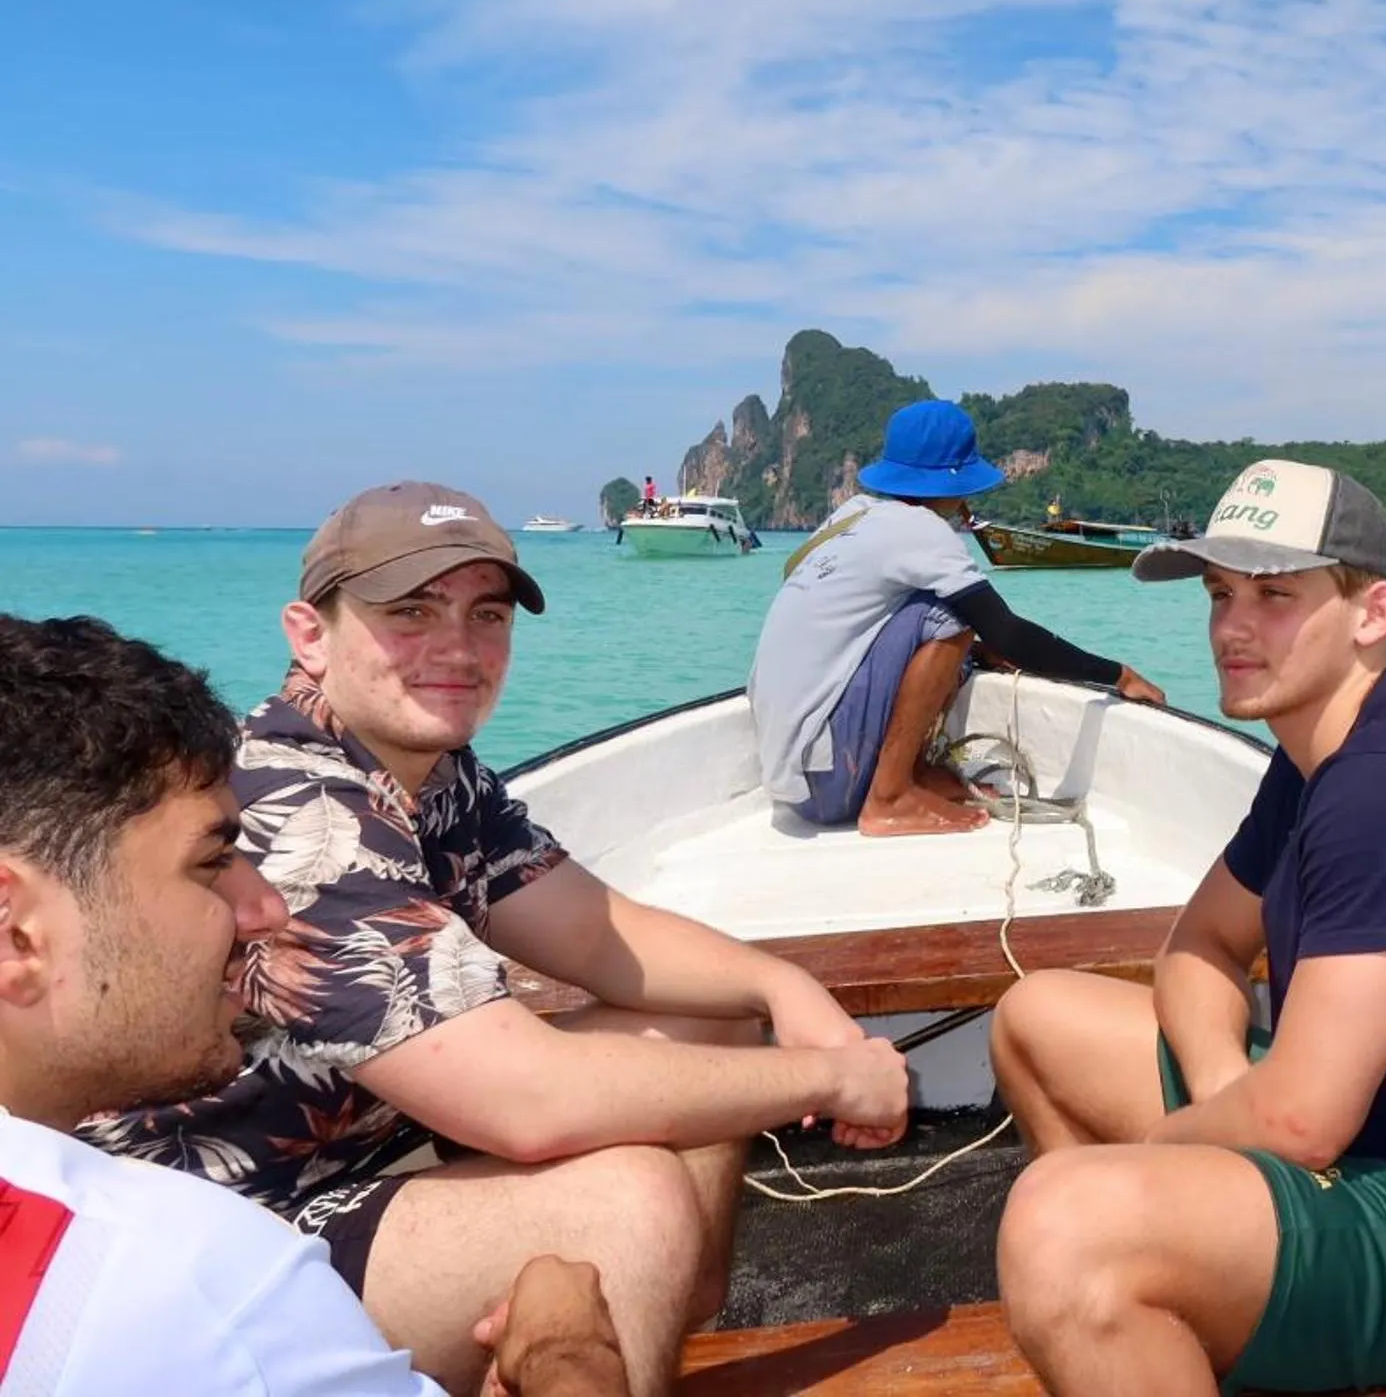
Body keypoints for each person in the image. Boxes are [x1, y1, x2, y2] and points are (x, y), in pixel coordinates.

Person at [84, 483, 911, 1396]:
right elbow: (526, 1103)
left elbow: (595, 931)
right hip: (216, 1241)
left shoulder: (431, 773)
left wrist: (782, 989)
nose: (458, 648)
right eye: (410, 612)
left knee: (705, 1020)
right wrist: (833, 1078)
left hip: (361, 1149)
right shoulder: (301, 815)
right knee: (625, 1202)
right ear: (310, 636)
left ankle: (663, 1309)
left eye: (486, 614)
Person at [987, 461, 1386, 1396]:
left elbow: (1301, 1122)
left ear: (1373, 614)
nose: (1231, 628)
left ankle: (1118, 1285)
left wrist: (1159, 1156)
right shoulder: (1314, 755)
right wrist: (1219, 1088)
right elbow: (1199, 947)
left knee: (1060, 1224)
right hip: (1353, 1147)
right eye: (1219, 594)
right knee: (1035, 1020)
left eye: (1275, 596)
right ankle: (1138, 1333)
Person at [0, 612, 626, 1395]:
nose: (266, 909)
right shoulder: (187, 1281)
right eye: (212, 861)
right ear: (14, 930)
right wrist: (567, 1354)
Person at [750, 399, 1166, 839]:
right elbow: (1008, 633)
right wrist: (1118, 675)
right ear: (953, 480)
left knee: (947, 619)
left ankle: (911, 773)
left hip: (791, 774)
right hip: (829, 778)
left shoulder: (850, 514)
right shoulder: (922, 530)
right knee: (950, 613)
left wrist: (974, 652)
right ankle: (890, 796)